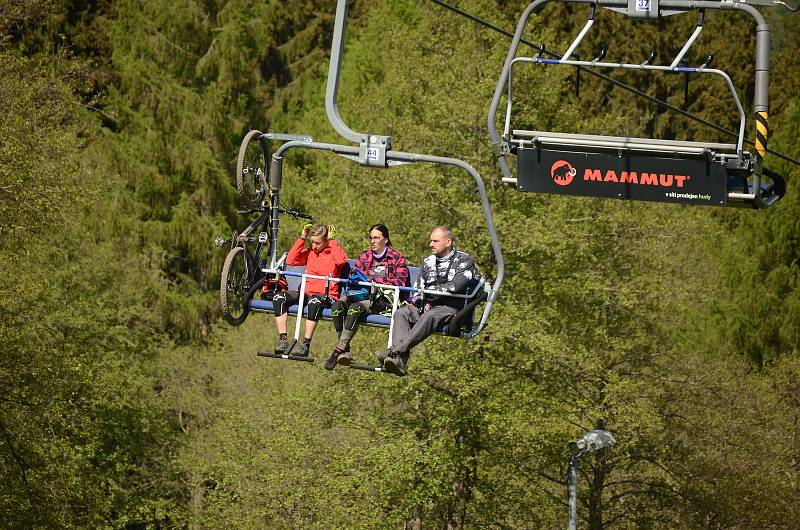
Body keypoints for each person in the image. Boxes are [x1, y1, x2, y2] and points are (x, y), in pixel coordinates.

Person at [375, 226, 475, 376]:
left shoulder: (464, 261)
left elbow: (456, 286)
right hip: (426, 306)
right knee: (401, 313)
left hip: (450, 308)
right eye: (431, 241)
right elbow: (418, 287)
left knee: (430, 315)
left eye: (435, 241)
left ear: (448, 242)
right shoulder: (428, 262)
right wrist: (420, 301)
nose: (431, 244)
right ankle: (399, 361)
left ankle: (395, 352)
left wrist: (431, 294)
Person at [323, 224, 410, 370]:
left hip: (381, 299)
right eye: (371, 238)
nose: (373, 241)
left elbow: (400, 283)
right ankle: (344, 348)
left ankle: (338, 351)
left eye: (376, 238)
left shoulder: (396, 257)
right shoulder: (365, 256)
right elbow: (357, 276)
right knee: (337, 306)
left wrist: (374, 282)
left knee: (354, 309)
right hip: (359, 293)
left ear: (386, 239)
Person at [272, 224, 348, 357]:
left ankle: (305, 345)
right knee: (279, 297)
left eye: (318, 243)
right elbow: (291, 260)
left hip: (326, 295)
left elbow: (341, 262)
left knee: (314, 302)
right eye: (312, 242)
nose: (314, 246)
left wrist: (332, 241)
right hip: (306, 293)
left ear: (326, 240)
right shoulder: (310, 252)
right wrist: (302, 238)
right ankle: (283, 340)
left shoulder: (334, 253)